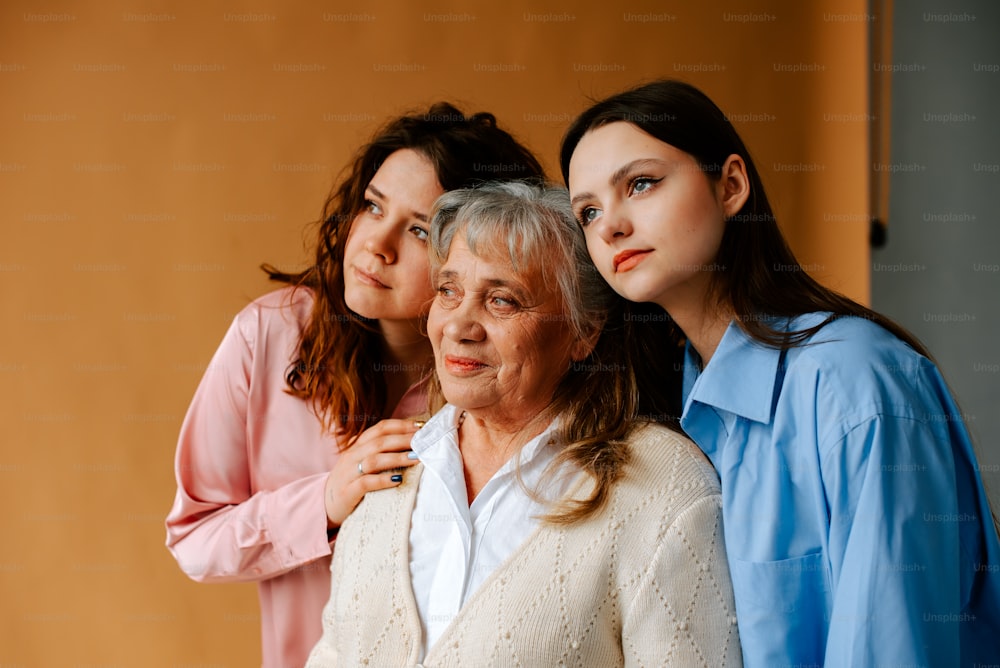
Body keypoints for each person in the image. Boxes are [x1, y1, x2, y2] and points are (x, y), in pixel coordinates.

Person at [560, 79, 1000, 667]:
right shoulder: (664, 409)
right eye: (587, 212)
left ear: (731, 186)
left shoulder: (855, 382)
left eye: (640, 184)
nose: (610, 225)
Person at [164, 103, 545, 668]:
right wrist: (323, 502)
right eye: (372, 206)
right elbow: (195, 537)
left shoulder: (507, 381)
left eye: (419, 229)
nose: (376, 244)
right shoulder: (269, 335)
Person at [305, 181, 742, 667]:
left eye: (502, 301)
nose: (457, 326)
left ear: (584, 331)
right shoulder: (391, 465)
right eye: (448, 291)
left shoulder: (665, 486)